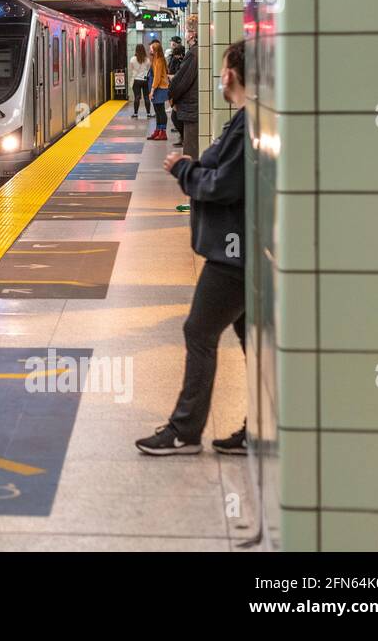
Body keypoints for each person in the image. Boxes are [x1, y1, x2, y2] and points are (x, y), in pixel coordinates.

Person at [136, 40, 248, 456]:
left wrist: (184, 169)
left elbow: (226, 185)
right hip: (242, 249)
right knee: (250, 337)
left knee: (198, 331)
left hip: (232, 256)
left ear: (232, 75)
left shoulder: (249, 123)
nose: (220, 77)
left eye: (222, 70)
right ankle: (261, 426)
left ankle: (184, 431)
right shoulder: (251, 119)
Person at [167, 40, 198, 154]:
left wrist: (172, 97)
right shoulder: (196, 53)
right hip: (192, 106)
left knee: (192, 150)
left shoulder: (193, 54)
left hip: (191, 107)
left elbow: (181, 81)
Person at [145, 39, 169, 140]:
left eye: (151, 48)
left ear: (155, 50)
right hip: (157, 88)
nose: (150, 50)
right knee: (157, 110)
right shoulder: (155, 59)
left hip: (160, 88)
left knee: (160, 110)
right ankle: (158, 130)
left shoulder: (159, 60)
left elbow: (157, 77)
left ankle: (163, 132)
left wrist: (152, 90)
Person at [129, 44, 150, 118]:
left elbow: (131, 69)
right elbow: (148, 69)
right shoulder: (147, 59)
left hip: (136, 80)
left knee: (137, 97)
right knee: (146, 97)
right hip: (145, 80)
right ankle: (148, 113)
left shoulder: (132, 59)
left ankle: (135, 113)